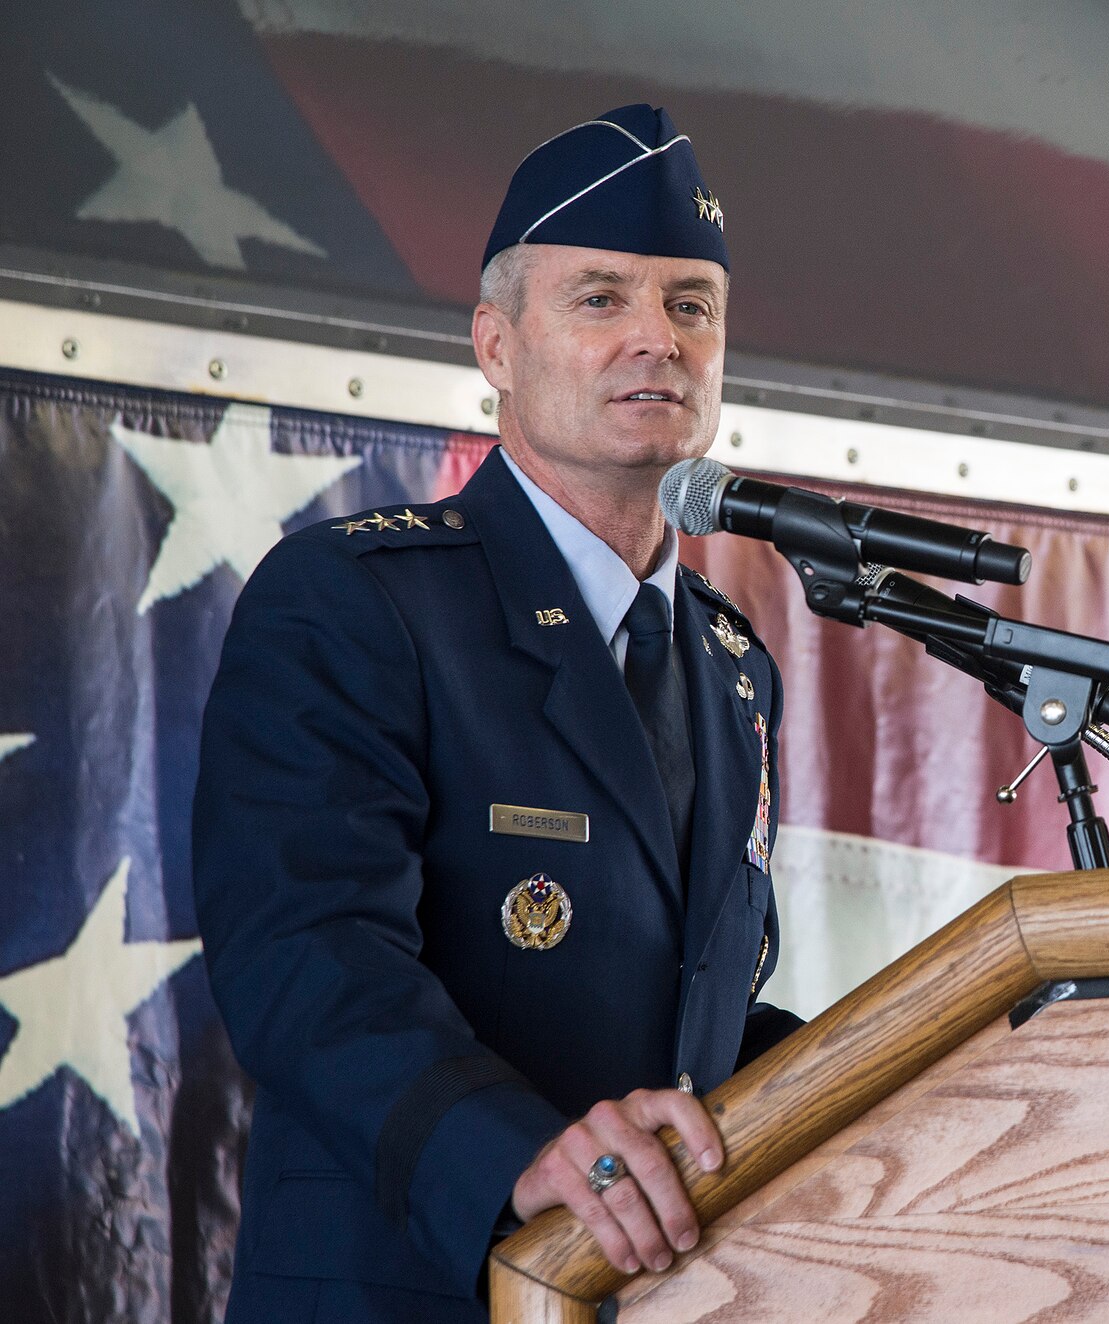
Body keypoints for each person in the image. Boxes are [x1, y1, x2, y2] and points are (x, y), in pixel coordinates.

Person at [192, 103, 801, 1324]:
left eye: (691, 305)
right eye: (598, 299)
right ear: (494, 344)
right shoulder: (355, 604)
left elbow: (696, 1016)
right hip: (406, 1290)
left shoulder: (733, 663)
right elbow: (307, 954)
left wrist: (948, 1051)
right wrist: (517, 1150)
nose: (657, 340)